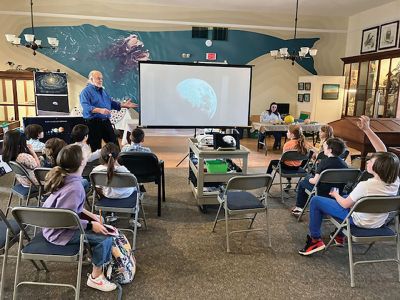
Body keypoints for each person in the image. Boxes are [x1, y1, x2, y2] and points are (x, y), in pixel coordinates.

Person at [298, 115, 399, 256]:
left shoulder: (366, 185)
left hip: (358, 220)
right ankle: (339, 235)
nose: (368, 162)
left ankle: (315, 239)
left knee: (316, 200)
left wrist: (335, 195)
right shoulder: (395, 181)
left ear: (378, 167)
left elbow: (345, 204)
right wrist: (367, 130)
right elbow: (384, 152)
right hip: (377, 221)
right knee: (346, 195)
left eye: (371, 161)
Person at [42, 144, 117, 292]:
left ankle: (94, 257)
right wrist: (90, 225)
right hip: (60, 233)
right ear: (82, 162)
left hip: (52, 227)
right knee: (105, 238)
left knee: (98, 226)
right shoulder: (75, 187)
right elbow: (68, 219)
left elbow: (71, 210)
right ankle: (96, 278)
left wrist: (91, 216)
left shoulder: (65, 178)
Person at [79, 70, 138, 151]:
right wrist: (99, 110)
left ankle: (116, 162)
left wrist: (123, 105)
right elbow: (86, 107)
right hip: (93, 123)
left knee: (114, 145)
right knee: (96, 148)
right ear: (91, 79)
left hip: (106, 121)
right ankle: (98, 163)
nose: (101, 80)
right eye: (98, 78)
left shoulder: (103, 91)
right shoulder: (85, 92)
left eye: (102, 79)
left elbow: (110, 102)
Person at [291, 137, 348, 217]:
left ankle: (299, 208)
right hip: (337, 191)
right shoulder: (344, 164)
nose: (323, 148)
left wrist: (309, 179)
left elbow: (315, 181)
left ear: (330, 150)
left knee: (303, 183)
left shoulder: (324, 163)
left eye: (325, 146)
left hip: (322, 191)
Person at [92, 143, 141, 228]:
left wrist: (102, 195)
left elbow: (97, 189)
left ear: (102, 157)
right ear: (117, 157)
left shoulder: (96, 171)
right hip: (126, 196)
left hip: (108, 195)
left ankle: (111, 215)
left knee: (110, 191)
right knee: (137, 189)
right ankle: (133, 219)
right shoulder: (123, 170)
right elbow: (133, 184)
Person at [266, 124, 309, 190]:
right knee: (290, 161)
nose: (287, 133)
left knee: (273, 162)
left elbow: (283, 159)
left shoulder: (288, 144)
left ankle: (266, 179)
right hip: (298, 167)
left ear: (292, 134)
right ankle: (288, 182)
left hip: (286, 167)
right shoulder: (304, 143)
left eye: (288, 132)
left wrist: (281, 159)